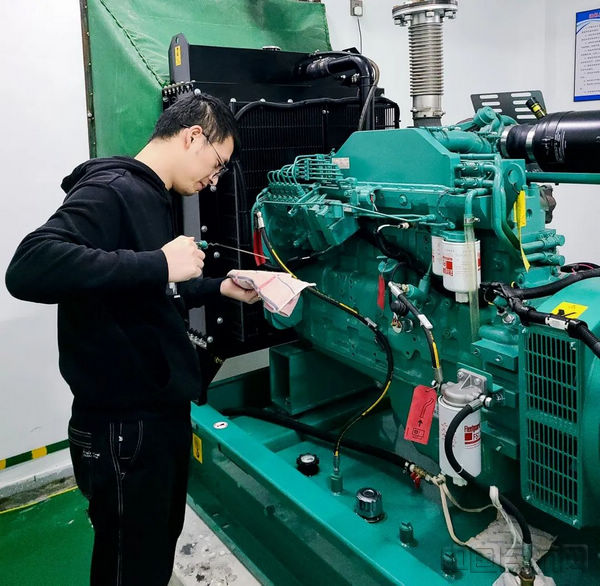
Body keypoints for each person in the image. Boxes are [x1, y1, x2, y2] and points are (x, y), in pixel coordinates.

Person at [5, 92, 259, 585]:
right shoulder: (114, 189)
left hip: (152, 418)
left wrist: (218, 287)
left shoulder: (151, 196)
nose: (214, 179)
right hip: (124, 428)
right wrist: (159, 262)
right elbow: (29, 266)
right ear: (193, 137)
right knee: (130, 566)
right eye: (217, 163)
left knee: (150, 555)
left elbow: (142, 289)